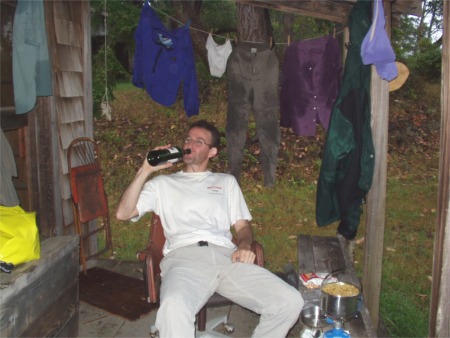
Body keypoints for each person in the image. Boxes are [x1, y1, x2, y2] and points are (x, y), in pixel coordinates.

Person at [116, 120, 304, 337]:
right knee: (173, 308)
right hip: (184, 258)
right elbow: (123, 213)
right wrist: (145, 169)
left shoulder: (226, 182)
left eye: (199, 142)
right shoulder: (162, 185)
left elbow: (243, 226)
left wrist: (244, 245)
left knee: (289, 301)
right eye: (188, 139)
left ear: (212, 152)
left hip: (227, 257)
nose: (190, 144)